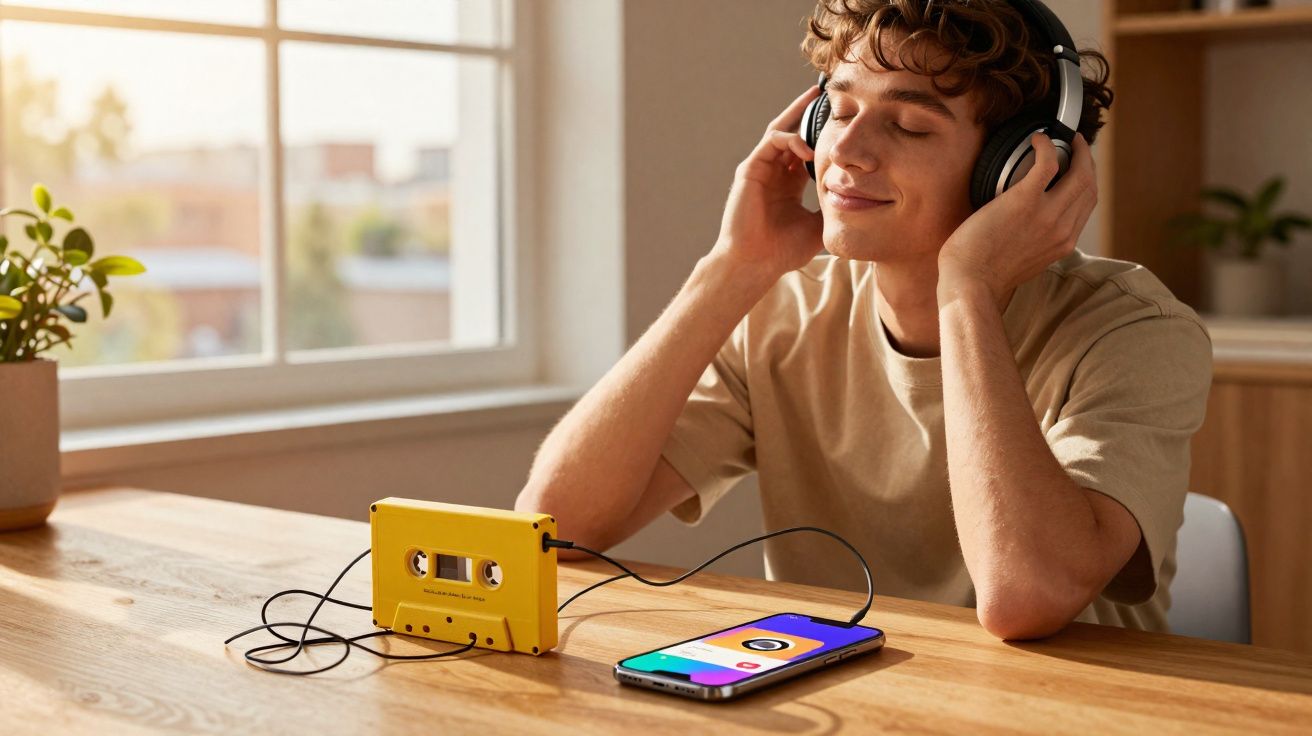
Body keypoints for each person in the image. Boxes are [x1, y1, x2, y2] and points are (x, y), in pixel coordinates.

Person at [515, 0, 1212, 640]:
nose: (845, 151)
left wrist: (967, 289)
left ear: (1019, 169)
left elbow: (1024, 598)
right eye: (840, 111)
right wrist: (732, 266)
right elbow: (555, 527)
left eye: (909, 126)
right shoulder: (786, 309)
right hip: (841, 696)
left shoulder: (1134, 332)